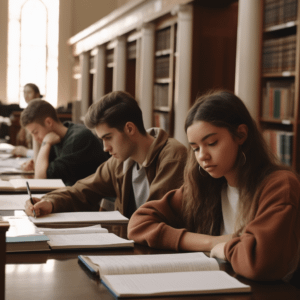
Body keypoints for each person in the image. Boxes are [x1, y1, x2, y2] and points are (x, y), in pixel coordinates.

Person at [127, 90, 300, 282]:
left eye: (212, 143)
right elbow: (139, 223)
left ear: (241, 135)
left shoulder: (280, 185)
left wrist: (225, 248)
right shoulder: (206, 186)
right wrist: (212, 242)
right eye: (195, 148)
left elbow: (257, 261)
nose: (202, 156)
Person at [25, 91, 187, 217]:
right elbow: (82, 190)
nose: (105, 148)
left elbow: (154, 215)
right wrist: (49, 202)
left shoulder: (172, 156)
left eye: (108, 138)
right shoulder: (120, 162)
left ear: (130, 129)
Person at [20, 99, 109, 186]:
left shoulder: (77, 139)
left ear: (49, 122)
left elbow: (41, 179)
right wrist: (34, 165)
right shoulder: (55, 138)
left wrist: (45, 144)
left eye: (35, 132)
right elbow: (40, 170)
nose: (35, 138)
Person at [12, 83, 42, 157]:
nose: (26, 95)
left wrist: (26, 152)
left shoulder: (41, 109)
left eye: (29, 92)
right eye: (24, 92)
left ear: (37, 94)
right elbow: (21, 137)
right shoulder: (28, 109)